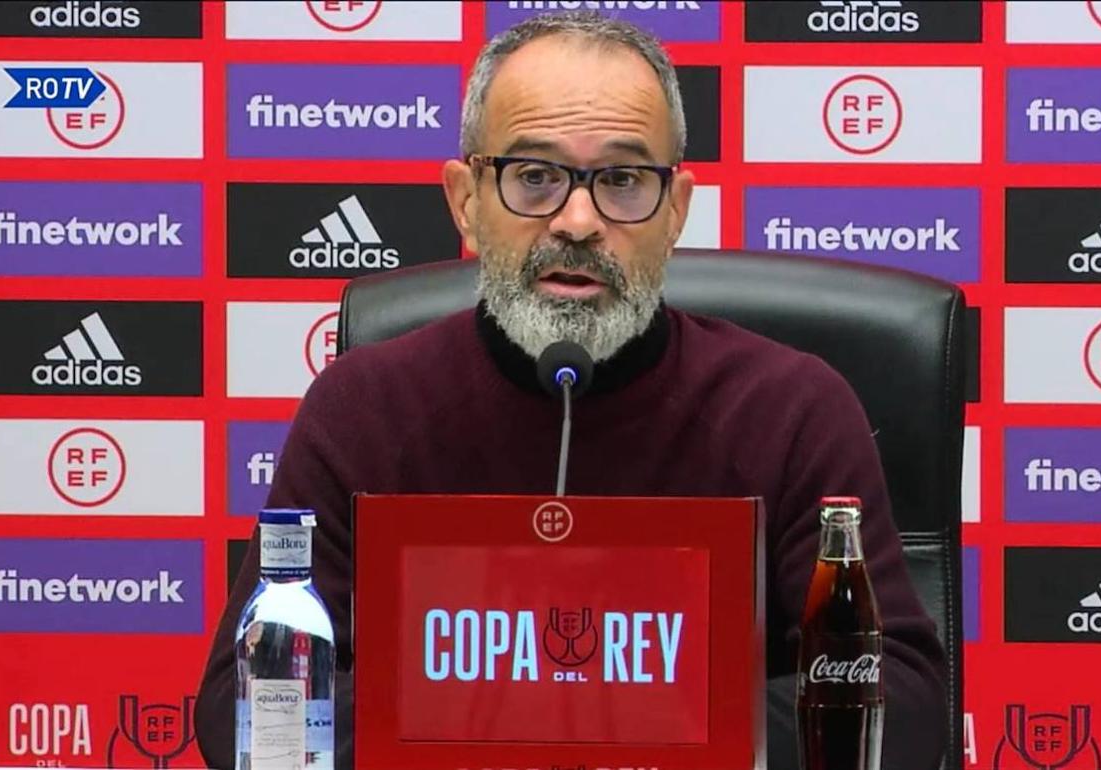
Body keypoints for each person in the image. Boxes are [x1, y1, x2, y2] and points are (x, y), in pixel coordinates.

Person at [196, 11, 948, 770]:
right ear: (465, 200)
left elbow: (905, 703)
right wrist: (559, 724)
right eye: (534, 177)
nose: (579, 221)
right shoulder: (364, 409)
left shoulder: (791, 410)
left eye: (622, 180)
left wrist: (593, 731)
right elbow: (247, 705)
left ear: (676, 210)